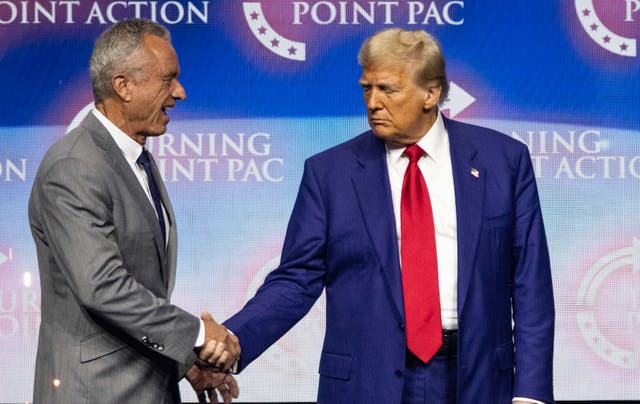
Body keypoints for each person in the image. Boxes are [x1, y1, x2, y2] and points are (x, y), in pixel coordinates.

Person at [215, 28, 555, 403]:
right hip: (367, 381)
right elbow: (296, 279)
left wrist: (532, 392)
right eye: (367, 88)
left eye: (388, 89)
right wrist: (232, 339)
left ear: (432, 93)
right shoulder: (329, 174)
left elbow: (531, 284)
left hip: (477, 379)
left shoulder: (502, 161)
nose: (373, 102)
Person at [29, 19, 239, 404]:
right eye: (168, 79)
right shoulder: (75, 166)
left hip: (148, 386)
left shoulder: (135, 157)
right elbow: (104, 287)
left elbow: (143, 288)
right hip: (96, 394)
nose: (180, 92)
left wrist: (184, 361)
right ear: (123, 86)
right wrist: (196, 335)